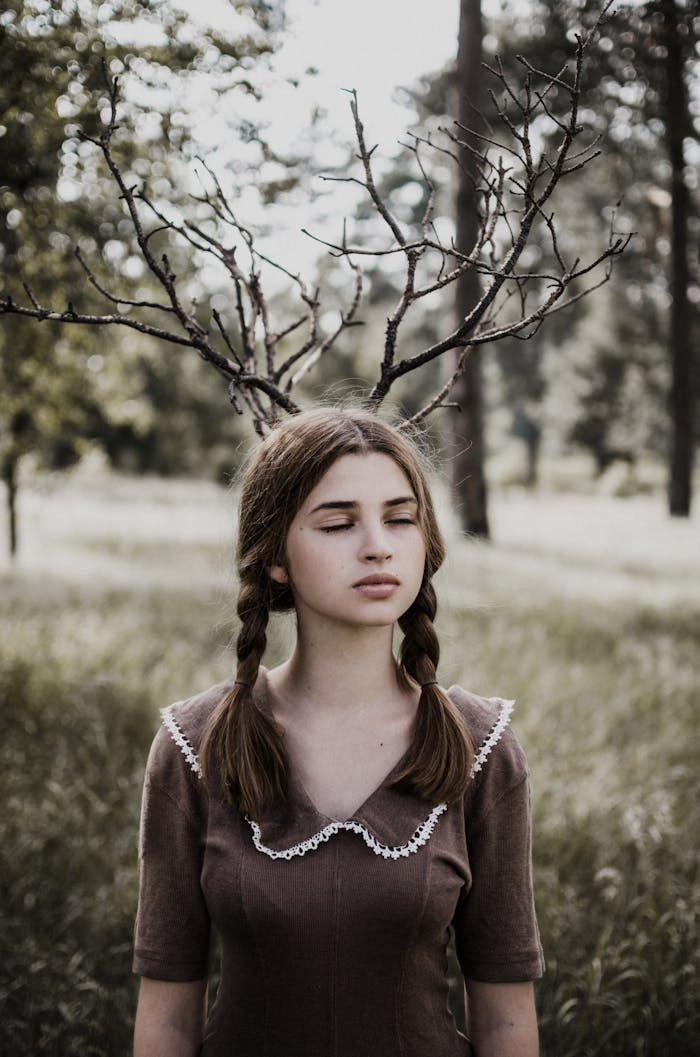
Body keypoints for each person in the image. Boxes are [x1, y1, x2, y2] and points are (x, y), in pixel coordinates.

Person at [132, 407, 544, 1057]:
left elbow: (506, 1018)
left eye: (400, 518)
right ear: (273, 558)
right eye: (338, 522)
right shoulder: (194, 744)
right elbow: (166, 1018)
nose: (378, 544)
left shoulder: (481, 745)